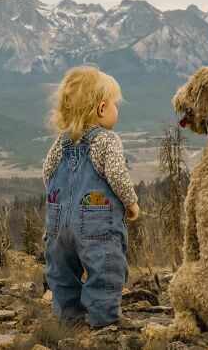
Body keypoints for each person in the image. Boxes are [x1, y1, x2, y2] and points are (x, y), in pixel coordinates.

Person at [42, 65, 140, 329]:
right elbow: (117, 175)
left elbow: (47, 173)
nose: (116, 111)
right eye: (114, 105)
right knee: (105, 269)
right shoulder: (106, 140)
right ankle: (104, 322)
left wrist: (59, 205)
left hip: (57, 223)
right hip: (96, 223)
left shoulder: (61, 142)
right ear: (101, 109)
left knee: (61, 272)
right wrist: (130, 202)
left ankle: (68, 320)